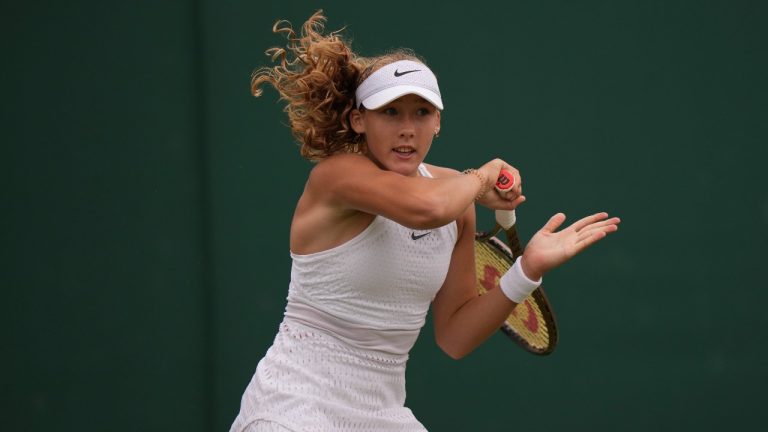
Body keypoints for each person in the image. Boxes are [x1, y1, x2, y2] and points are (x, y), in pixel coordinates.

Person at [231, 11, 620, 432]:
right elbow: (427, 208)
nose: (407, 130)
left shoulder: (456, 196)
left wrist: (527, 271)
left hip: (383, 415)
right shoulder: (337, 176)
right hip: (292, 407)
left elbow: (454, 336)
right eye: (390, 113)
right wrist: (483, 176)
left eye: (421, 113)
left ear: (438, 121)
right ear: (358, 120)